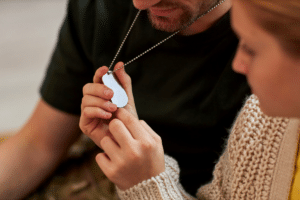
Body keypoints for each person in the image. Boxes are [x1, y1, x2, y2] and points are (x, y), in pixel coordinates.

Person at [0, 0, 251, 199]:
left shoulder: (273, 47)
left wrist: (147, 186)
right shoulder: (100, 9)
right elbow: (38, 145)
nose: (140, 4)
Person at [83, 0, 300, 199]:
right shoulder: (258, 126)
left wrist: (147, 186)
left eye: (251, 49)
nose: (238, 64)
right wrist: (146, 179)